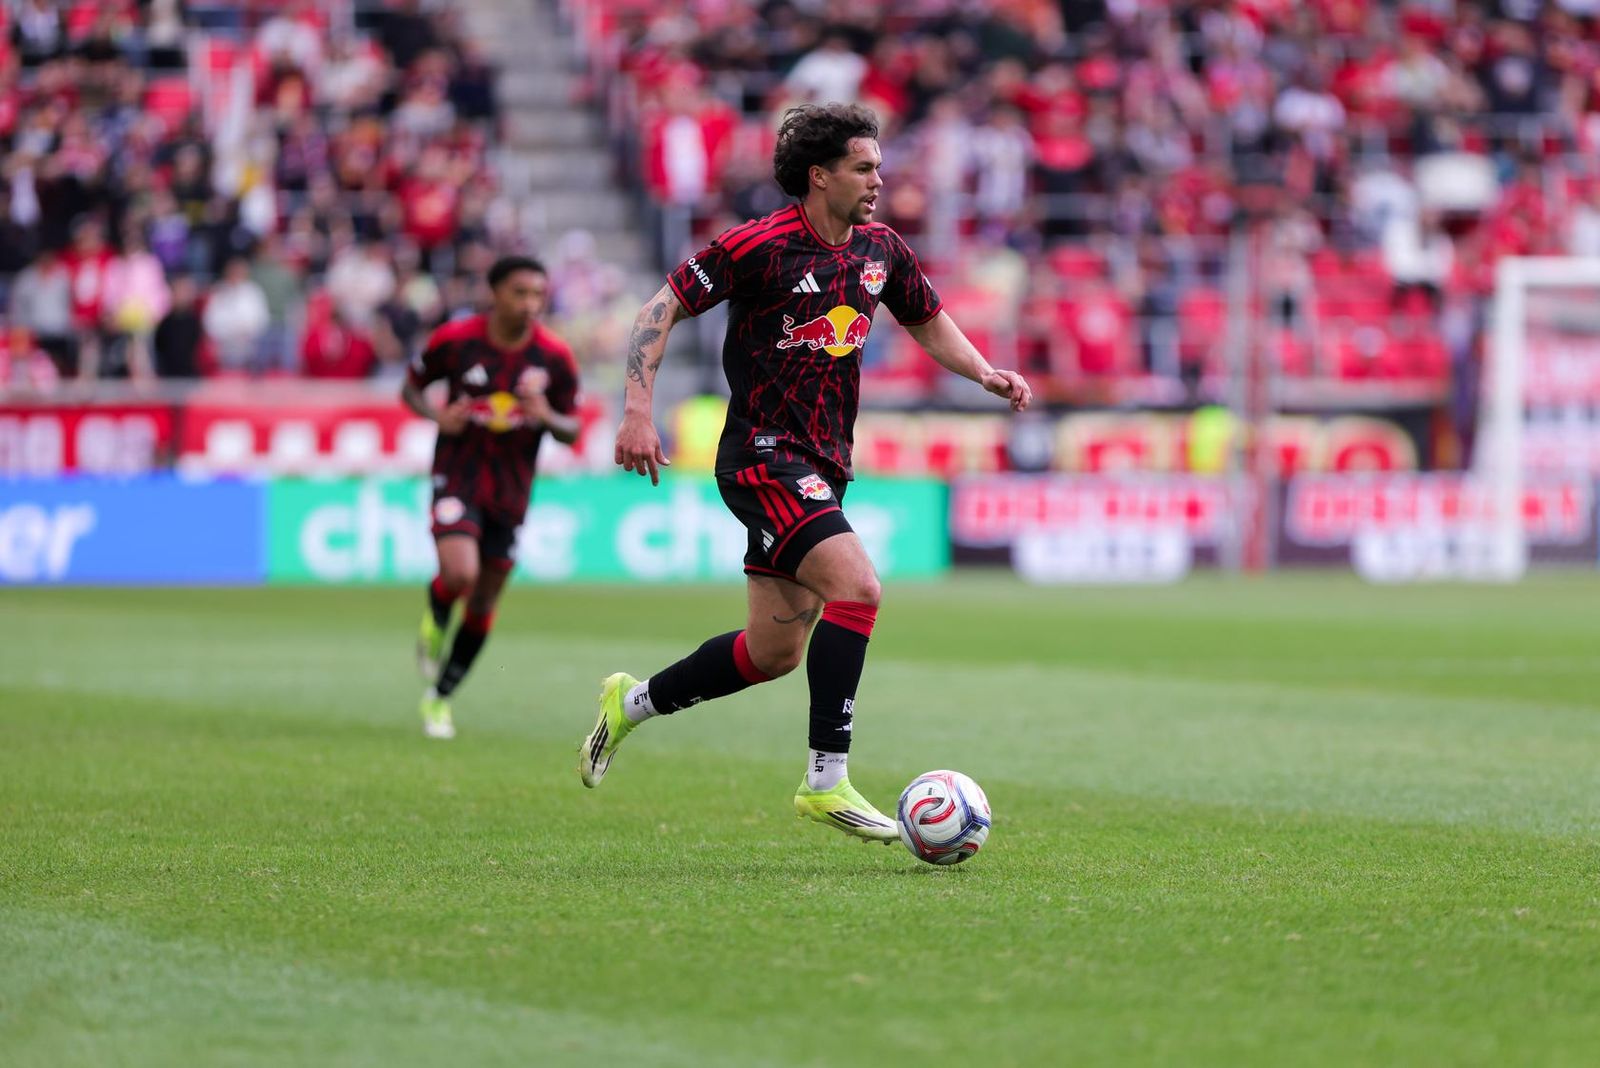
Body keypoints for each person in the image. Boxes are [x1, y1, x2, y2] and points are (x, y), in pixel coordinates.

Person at [581, 103, 1032, 842]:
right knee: (859, 588)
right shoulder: (756, 246)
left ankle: (628, 705)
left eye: (879, 166)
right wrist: (636, 409)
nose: (879, 180)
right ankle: (827, 781)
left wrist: (984, 373)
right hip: (762, 457)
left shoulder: (881, 249)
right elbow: (657, 310)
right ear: (819, 176)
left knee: (773, 653)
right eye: (864, 167)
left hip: (825, 460)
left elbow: (925, 318)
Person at [401, 255, 581, 739]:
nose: (530, 304)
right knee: (460, 571)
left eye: (538, 295)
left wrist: (545, 414)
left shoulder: (554, 357)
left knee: (484, 602)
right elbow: (411, 389)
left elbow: (572, 427)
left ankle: (439, 697)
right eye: (520, 293)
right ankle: (437, 613)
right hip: (458, 475)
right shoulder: (456, 341)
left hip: (511, 491)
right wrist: (439, 418)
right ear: (495, 293)